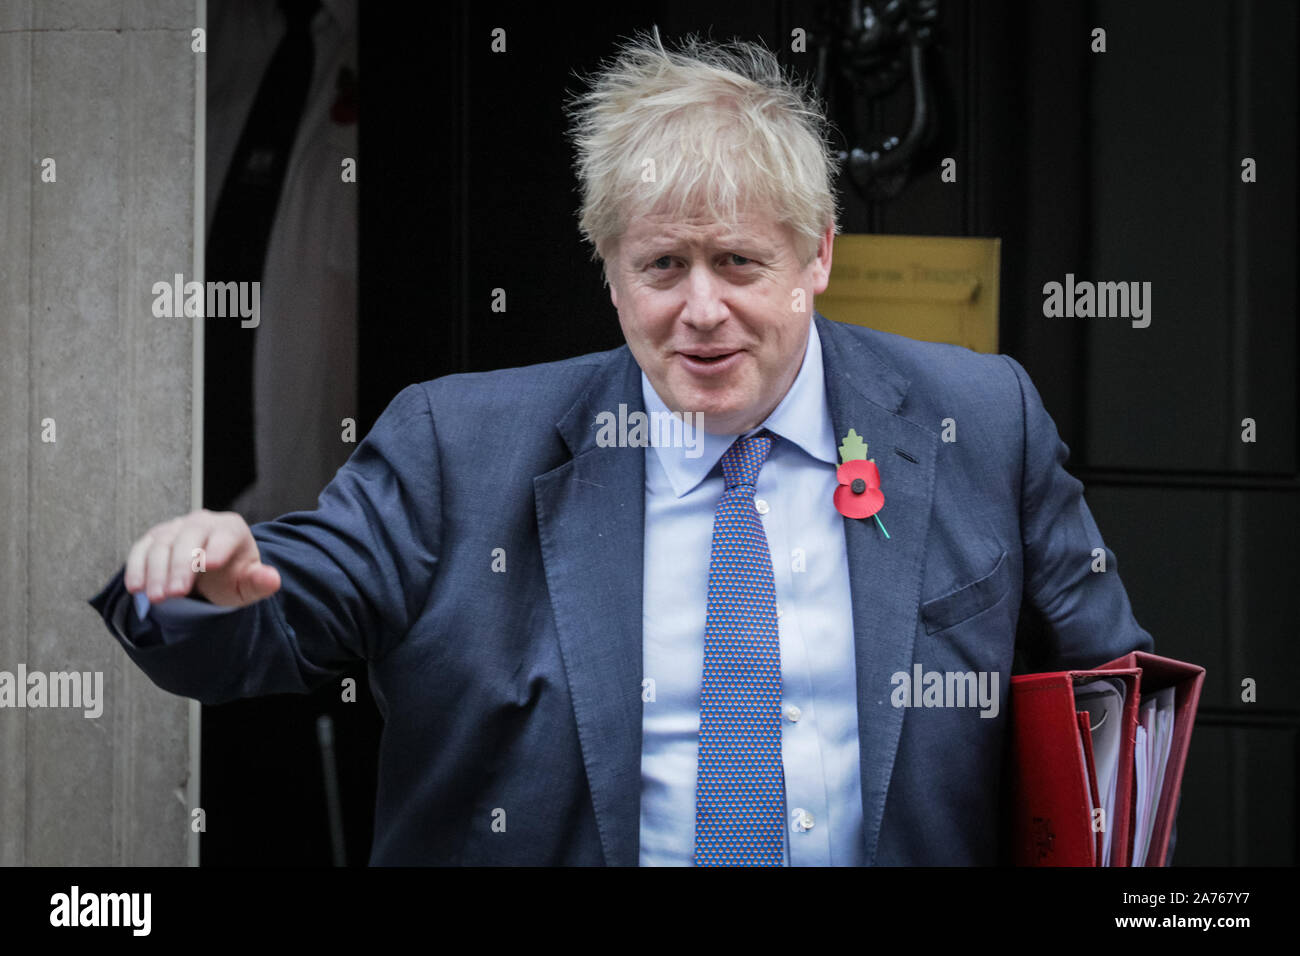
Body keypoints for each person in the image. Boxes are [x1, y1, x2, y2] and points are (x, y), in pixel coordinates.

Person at [89, 30, 1153, 865]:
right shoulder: (457, 446)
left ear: (818, 253)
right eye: (661, 266)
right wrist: (196, 586)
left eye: (738, 261)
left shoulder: (978, 418)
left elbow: (1110, 701)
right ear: (607, 268)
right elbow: (285, 605)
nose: (700, 310)